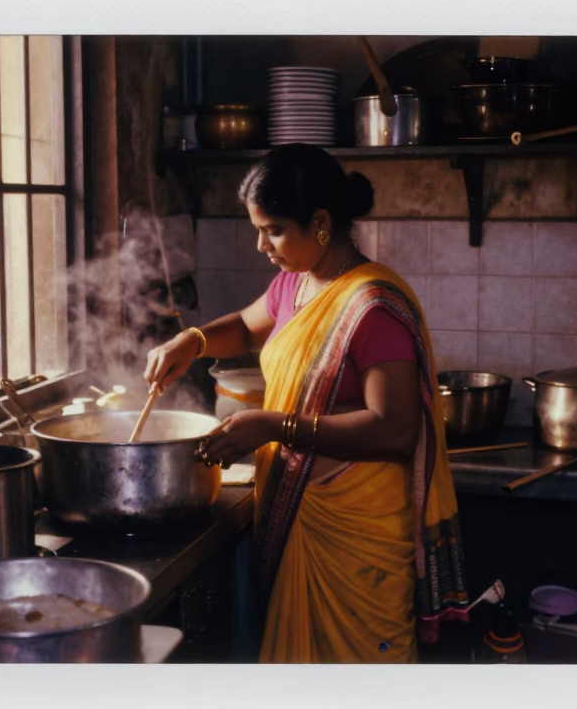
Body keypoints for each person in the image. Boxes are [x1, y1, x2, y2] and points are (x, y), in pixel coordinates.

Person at [143, 143, 469, 663]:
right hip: (300, 519)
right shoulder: (296, 284)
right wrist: (194, 341)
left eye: (272, 229)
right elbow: (249, 327)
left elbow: (396, 430)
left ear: (320, 222)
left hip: (356, 539)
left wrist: (276, 426)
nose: (260, 245)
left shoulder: (372, 307)